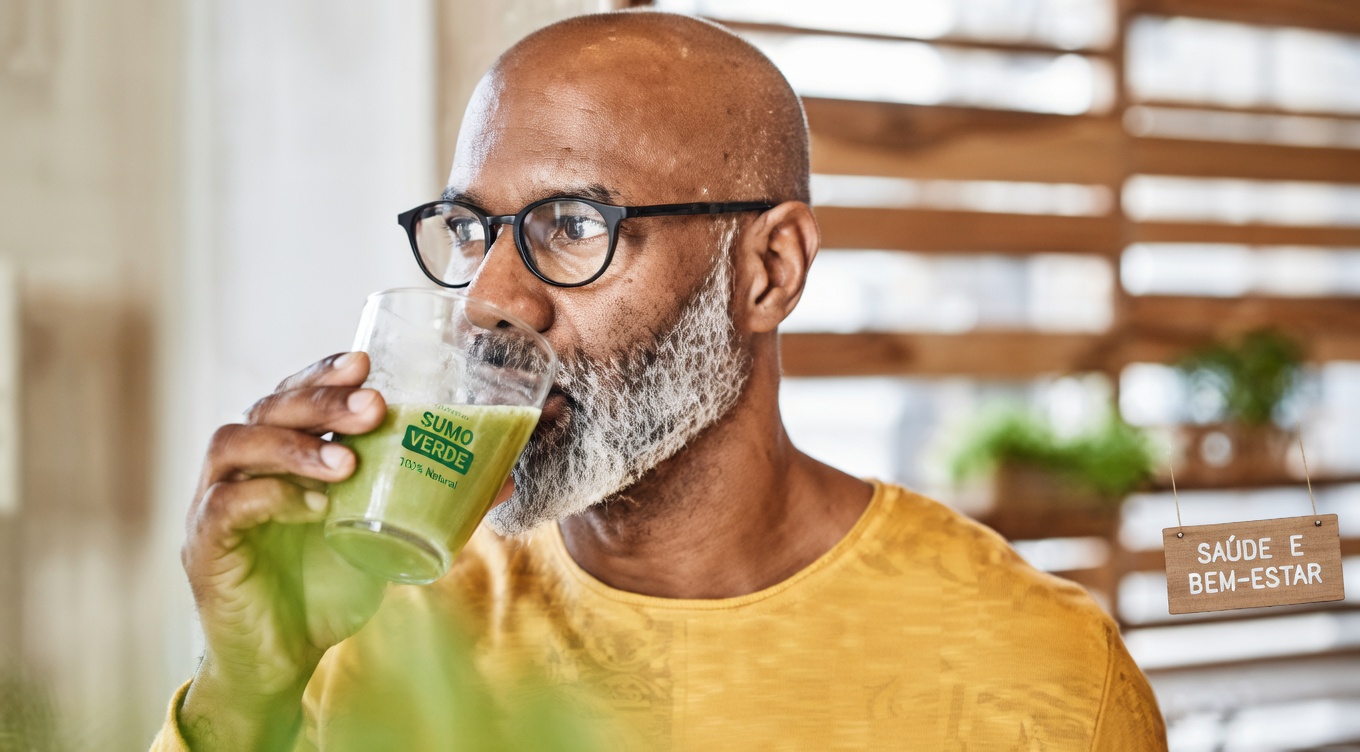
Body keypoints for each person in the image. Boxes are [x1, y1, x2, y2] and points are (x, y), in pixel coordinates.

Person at [152, 10, 1167, 751]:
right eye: (469, 230)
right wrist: (247, 684)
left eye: (573, 225)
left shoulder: (1039, 677)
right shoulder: (377, 613)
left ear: (767, 271)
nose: (488, 299)